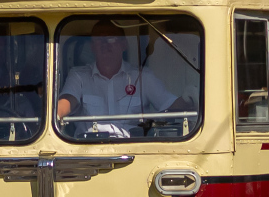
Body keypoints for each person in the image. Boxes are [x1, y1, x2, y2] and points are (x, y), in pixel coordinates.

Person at [56, 19, 190, 139]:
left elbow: (169, 105)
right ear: (92, 46)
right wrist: (56, 113)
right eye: (99, 39)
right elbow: (66, 102)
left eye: (111, 38)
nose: (105, 44)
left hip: (133, 149)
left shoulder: (143, 77)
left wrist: (190, 97)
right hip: (88, 149)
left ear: (123, 44)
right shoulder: (79, 76)